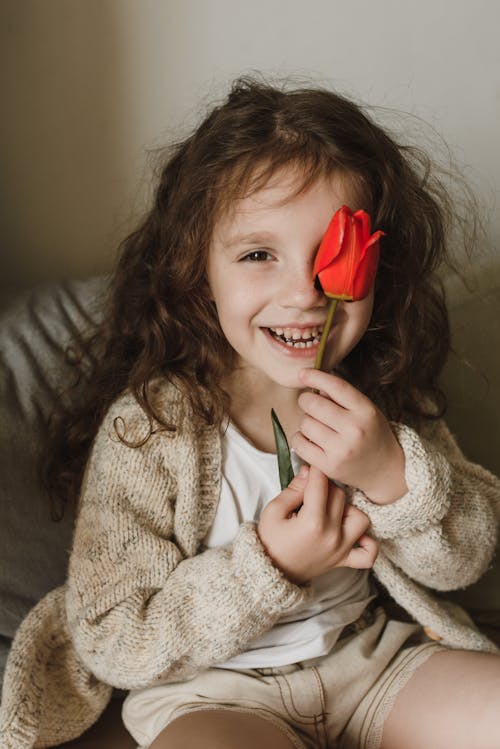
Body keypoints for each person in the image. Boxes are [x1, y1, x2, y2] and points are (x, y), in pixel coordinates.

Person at [1, 77, 500, 749]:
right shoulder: (148, 427)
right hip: (210, 693)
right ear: (197, 268)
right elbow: (114, 639)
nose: (303, 293)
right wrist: (271, 564)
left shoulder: (382, 396)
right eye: (259, 255)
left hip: (372, 665)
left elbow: (466, 558)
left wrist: (392, 475)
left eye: (330, 256)